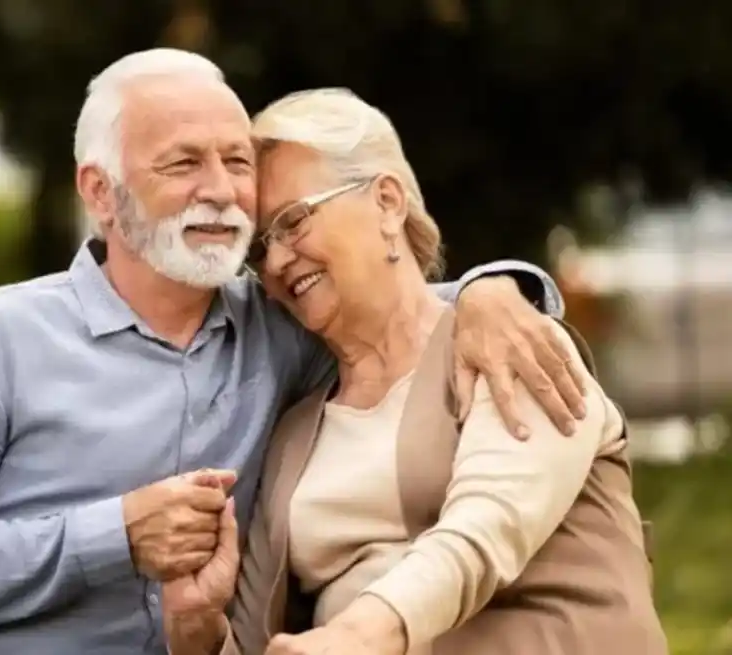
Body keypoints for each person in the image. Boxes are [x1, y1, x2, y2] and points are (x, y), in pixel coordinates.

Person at [0, 50, 587, 654]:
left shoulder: (282, 327)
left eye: (238, 163)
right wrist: (114, 536)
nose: (224, 191)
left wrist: (499, 289)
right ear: (100, 191)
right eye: (183, 164)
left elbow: (398, 304)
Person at [161, 88, 667, 655]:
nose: (276, 261)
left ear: (387, 203)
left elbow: (486, 529)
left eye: (295, 221)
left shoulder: (511, 343)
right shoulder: (294, 435)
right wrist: (197, 626)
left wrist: (357, 635)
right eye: (260, 249)